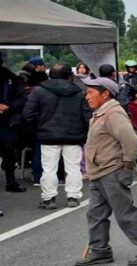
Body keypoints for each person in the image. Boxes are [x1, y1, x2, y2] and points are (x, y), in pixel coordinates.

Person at [75, 77, 137, 266]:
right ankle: (100, 250)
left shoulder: (113, 113)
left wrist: (127, 165)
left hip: (111, 171)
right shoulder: (100, 112)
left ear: (105, 94)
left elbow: (131, 140)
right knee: (95, 214)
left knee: (125, 212)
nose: (86, 96)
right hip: (99, 172)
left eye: (90, 92)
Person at [20, 64, 90, 209]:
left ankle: (49, 198)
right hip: (74, 136)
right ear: (70, 76)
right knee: (73, 167)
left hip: (47, 135)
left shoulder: (39, 91)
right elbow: (86, 116)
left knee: (49, 168)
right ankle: (73, 196)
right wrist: (84, 133)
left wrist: (36, 130)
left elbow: (28, 114)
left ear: (50, 75)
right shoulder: (79, 92)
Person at [0, 52, 27, 193]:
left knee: (9, 152)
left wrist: (8, 106)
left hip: (6, 121)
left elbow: (22, 98)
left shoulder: (9, 77)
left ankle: (11, 181)